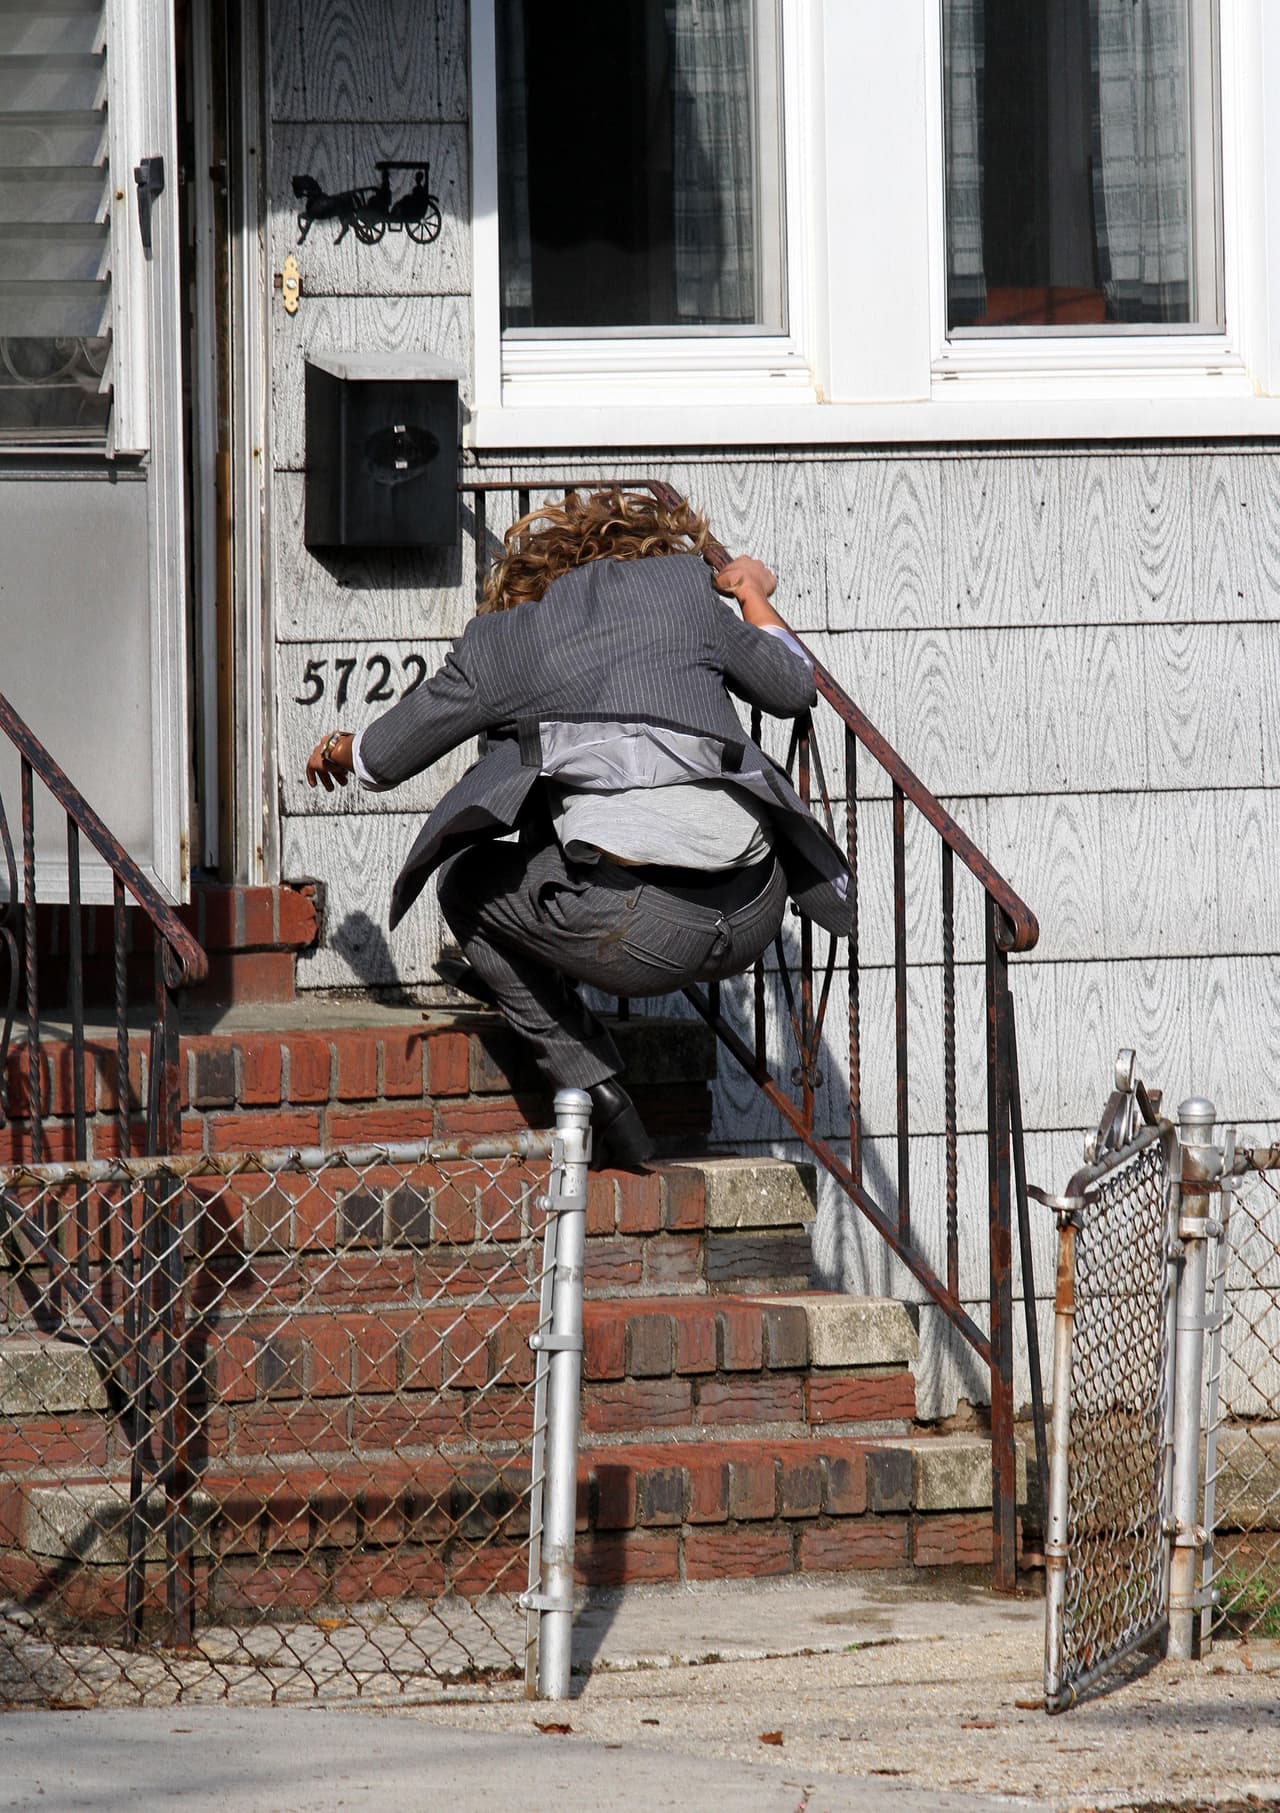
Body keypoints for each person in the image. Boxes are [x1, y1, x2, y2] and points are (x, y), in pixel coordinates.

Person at [306, 488, 851, 1166]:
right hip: (760, 904)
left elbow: (384, 758)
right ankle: (539, 974)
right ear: (649, 543)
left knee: (467, 884)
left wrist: (338, 748)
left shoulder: (508, 642)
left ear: (534, 570)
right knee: (537, 782)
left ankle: (590, 1080)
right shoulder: (688, 594)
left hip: (638, 934)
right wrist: (752, 591)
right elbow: (792, 685)